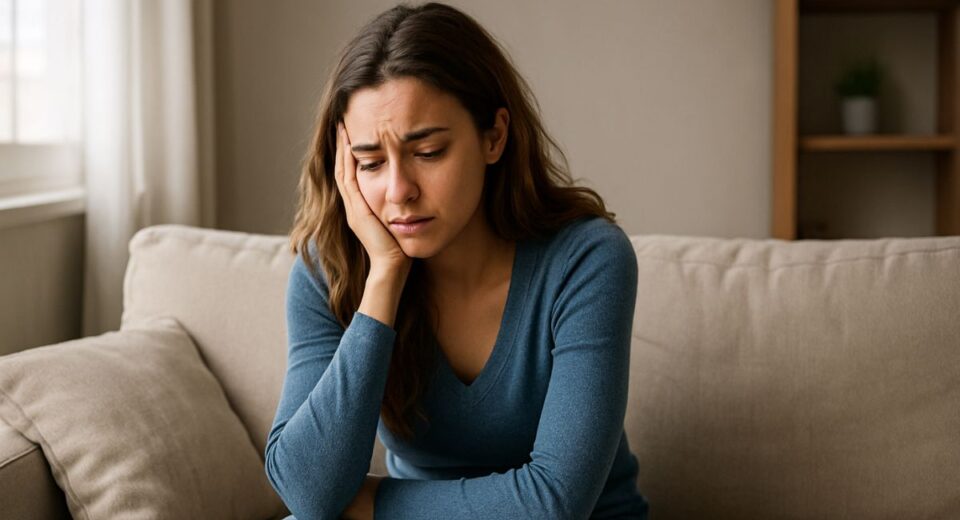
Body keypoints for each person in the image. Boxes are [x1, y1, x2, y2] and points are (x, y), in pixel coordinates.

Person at [264, 3, 649, 519]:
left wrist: (373, 505)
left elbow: (554, 502)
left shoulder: (587, 261)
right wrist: (384, 280)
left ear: (494, 136)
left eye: (428, 152)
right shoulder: (329, 268)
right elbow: (309, 494)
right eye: (370, 162)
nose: (398, 190)